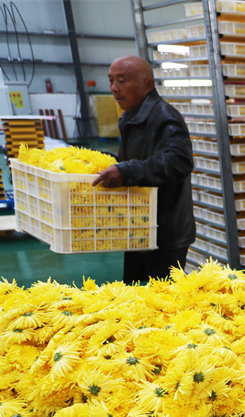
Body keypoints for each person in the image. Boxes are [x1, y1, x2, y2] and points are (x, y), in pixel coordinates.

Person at [92, 55, 195, 284]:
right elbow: (138, 158)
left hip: (165, 233)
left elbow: (179, 162)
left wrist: (127, 171)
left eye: (122, 80)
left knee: (163, 304)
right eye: (111, 81)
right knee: (136, 295)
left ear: (147, 85)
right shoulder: (131, 116)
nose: (114, 88)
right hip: (139, 226)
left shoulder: (165, 117)